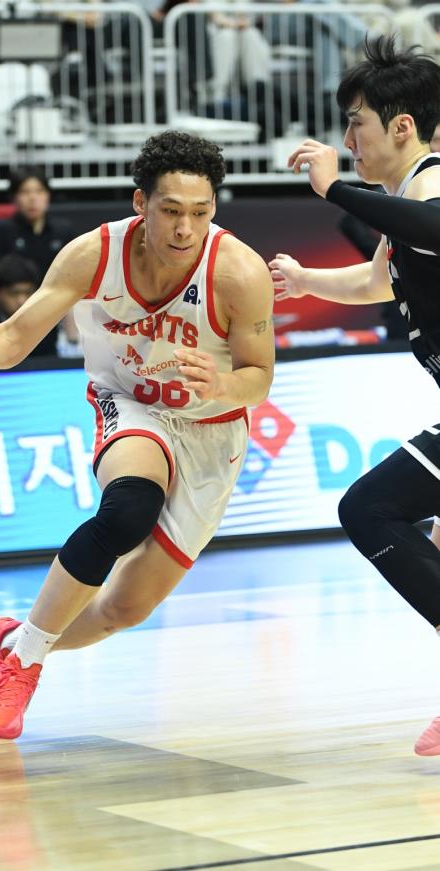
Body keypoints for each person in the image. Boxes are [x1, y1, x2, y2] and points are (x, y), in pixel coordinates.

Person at [0, 130, 275, 740]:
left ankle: (14, 643)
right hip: (129, 402)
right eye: (171, 211)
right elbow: (10, 339)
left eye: (201, 212)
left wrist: (221, 382)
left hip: (213, 430)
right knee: (129, 507)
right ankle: (23, 669)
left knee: (124, 609)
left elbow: (259, 379)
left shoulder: (239, 272)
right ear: (140, 203)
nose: (185, 229)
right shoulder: (93, 254)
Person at [268, 35, 440, 756]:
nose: (346, 141)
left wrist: (337, 190)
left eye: (356, 123)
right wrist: (306, 280)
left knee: (369, 508)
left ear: (401, 126)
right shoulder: (406, 198)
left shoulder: (432, 185)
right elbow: (377, 280)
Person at [0, 166, 77, 353]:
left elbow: (72, 284)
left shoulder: (63, 232)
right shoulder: (0, 231)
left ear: (48, 195)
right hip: (9, 321)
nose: (32, 198)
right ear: (14, 197)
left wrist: (74, 339)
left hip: (47, 320)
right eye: (25, 192)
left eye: (39, 191)